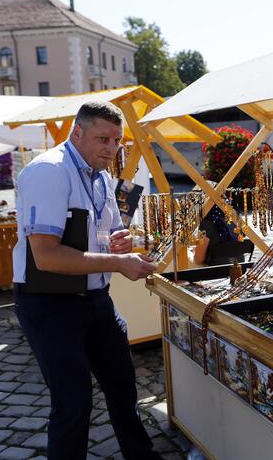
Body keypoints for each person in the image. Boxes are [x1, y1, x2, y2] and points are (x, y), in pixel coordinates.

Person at [12, 101, 162, 460]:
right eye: (102, 139)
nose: (111, 149)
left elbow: (107, 232)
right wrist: (117, 260)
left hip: (96, 300)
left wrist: (119, 241)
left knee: (123, 388)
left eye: (116, 141)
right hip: (50, 305)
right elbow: (46, 257)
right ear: (76, 132)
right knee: (73, 402)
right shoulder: (48, 171)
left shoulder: (103, 178)